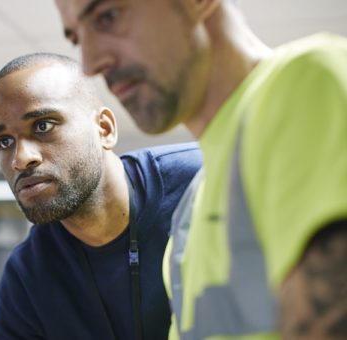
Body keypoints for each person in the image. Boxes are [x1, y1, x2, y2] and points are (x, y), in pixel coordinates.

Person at [54, 0, 347, 339]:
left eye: (108, 17)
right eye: (77, 38)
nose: (90, 64)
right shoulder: (189, 216)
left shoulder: (306, 84)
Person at [0, 52, 201, 340]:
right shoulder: (28, 274)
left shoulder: (203, 180)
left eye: (43, 125)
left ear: (105, 129)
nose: (20, 159)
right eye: (5, 141)